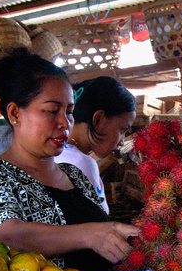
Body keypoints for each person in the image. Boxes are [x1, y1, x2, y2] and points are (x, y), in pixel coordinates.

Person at [0, 49, 138, 270]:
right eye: (52, 111)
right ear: (15, 114)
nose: (65, 123)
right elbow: (7, 237)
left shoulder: (75, 176)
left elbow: (103, 239)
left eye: (69, 111)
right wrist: (89, 234)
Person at [55, 75, 135, 215]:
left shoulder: (53, 154)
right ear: (98, 119)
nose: (122, 141)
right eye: (122, 130)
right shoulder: (82, 163)